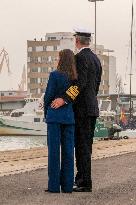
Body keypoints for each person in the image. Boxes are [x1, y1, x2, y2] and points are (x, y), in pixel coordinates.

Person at [51, 28, 102, 192]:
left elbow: (79, 84)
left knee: (81, 147)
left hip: (82, 110)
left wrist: (64, 99)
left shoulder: (79, 58)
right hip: (92, 108)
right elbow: (95, 86)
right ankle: (83, 180)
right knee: (86, 146)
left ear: (77, 41)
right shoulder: (96, 59)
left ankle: (84, 182)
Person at [44, 49, 77, 193]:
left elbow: (48, 96)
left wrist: (47, 112)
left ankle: (53, 186)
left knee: (54, 152)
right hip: (68, 118)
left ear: (61, 59)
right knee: (69, 152)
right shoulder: (75, 78)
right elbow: (74, 96)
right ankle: (68, 186)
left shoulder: (54, 75)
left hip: (54, 118)